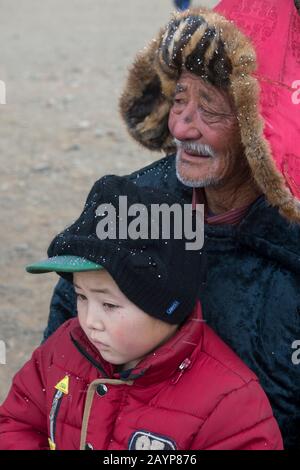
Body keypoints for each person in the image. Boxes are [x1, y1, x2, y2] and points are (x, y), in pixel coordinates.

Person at [44, 0, 300, 448]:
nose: (181, 128)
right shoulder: (127, 212)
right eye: (179, 99)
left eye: (211, 109)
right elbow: (56, 379)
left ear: (265, 126)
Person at [0, 176, 283, 450]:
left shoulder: (228, 403)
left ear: (165, 304)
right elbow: (15, 423)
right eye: (81, 297)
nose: (89, 322)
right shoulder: (63, 348)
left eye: (109, 305)